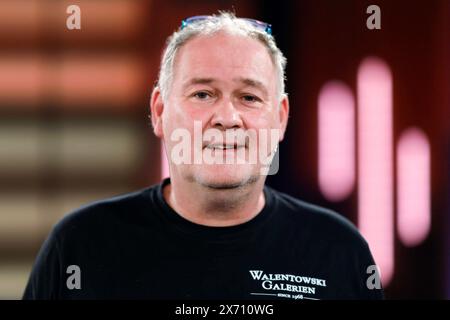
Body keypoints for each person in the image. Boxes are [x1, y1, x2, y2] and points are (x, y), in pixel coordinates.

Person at [23, 12, 383, 300]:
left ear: (281, 118)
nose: (226, 118)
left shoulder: (339, 251)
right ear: (160, 111)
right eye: (202, 94)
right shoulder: (79, 246)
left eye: (249, 97)